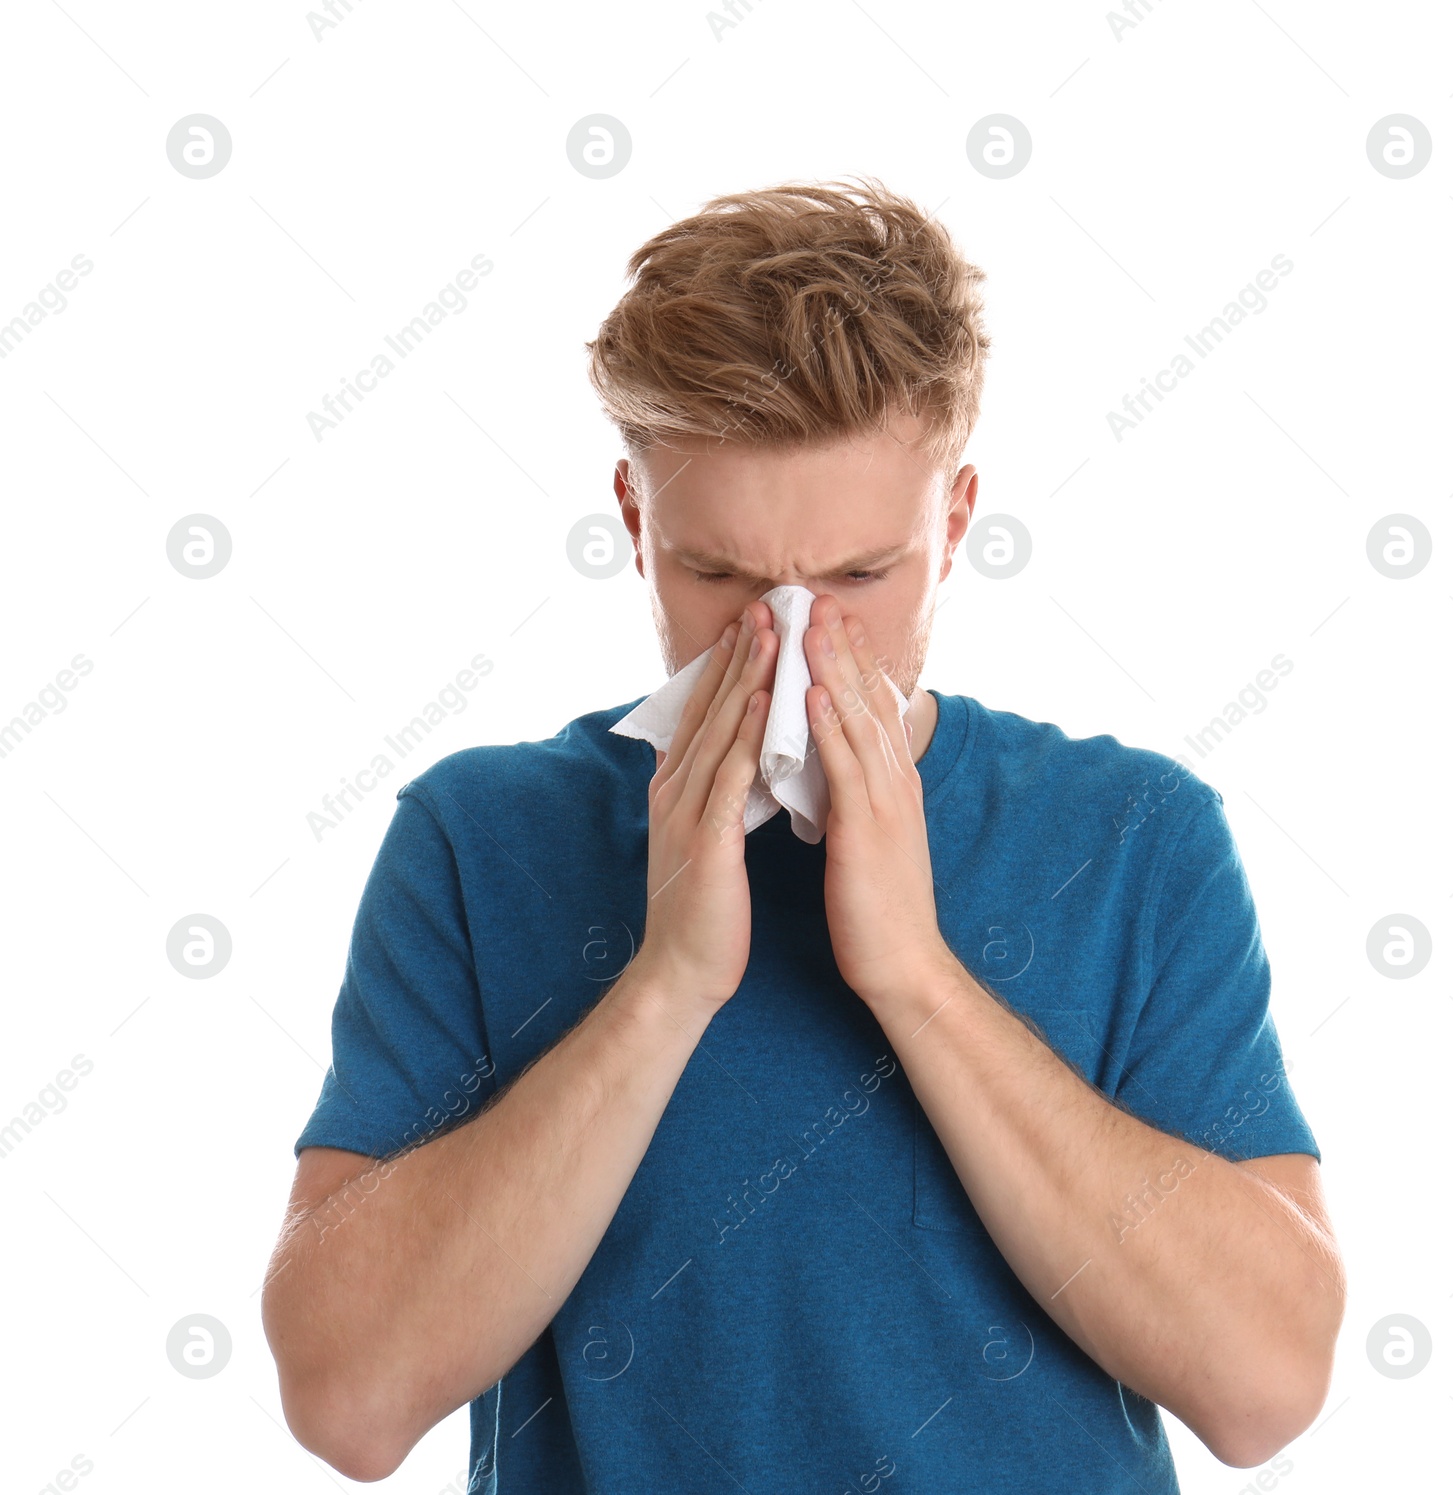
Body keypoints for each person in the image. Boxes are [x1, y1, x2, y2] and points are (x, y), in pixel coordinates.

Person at [262, 177, 1345, 1492]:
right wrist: (666, 984)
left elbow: (1267, 1390)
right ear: (633, 517)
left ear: (952, 525)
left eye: (856, 579)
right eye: (716, 574)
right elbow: (346, 1402)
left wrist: (916, 976)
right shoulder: (478, 838)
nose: (784, 644)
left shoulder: (1133, 838)